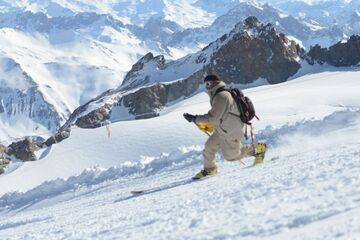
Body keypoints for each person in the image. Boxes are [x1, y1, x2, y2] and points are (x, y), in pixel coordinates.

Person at [183, 74, 267, 180]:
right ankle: (210, 169)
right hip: (221, 130)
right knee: (209, 146)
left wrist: (195, 119)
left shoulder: (222, 96)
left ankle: (258, 150)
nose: (207, 87)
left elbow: (212, 117)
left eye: (209, 84)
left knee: (231, 156)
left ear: (216, 83)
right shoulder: (218, 95)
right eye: (205, 84)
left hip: (232, 131)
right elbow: (220, 116)